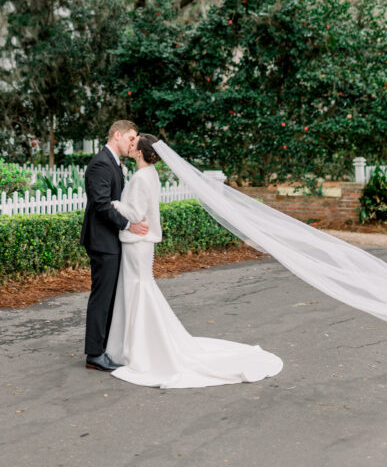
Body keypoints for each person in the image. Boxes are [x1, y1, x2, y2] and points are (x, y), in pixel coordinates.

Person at [105, 133, 284, 388]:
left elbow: (134, 213)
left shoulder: (140, 178)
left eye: (134, 145)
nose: (130, 147)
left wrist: (113, 204)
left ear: (142, 153)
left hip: (137, 243)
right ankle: (139, 344)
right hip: (143, 245)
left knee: (138, 290)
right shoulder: (151, 175)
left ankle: (139, 349)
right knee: (141, 289)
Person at [80, 121, 148, 371]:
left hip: (111, 240)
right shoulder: (100, 163)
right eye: (130, 138)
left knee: (110, 296)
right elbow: (101, 204)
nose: (132, 143)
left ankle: (105, 346)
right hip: (102, 241)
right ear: (116, 135)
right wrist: (129, 225)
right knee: (102, 296)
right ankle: (94, 354)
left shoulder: (116, 163)